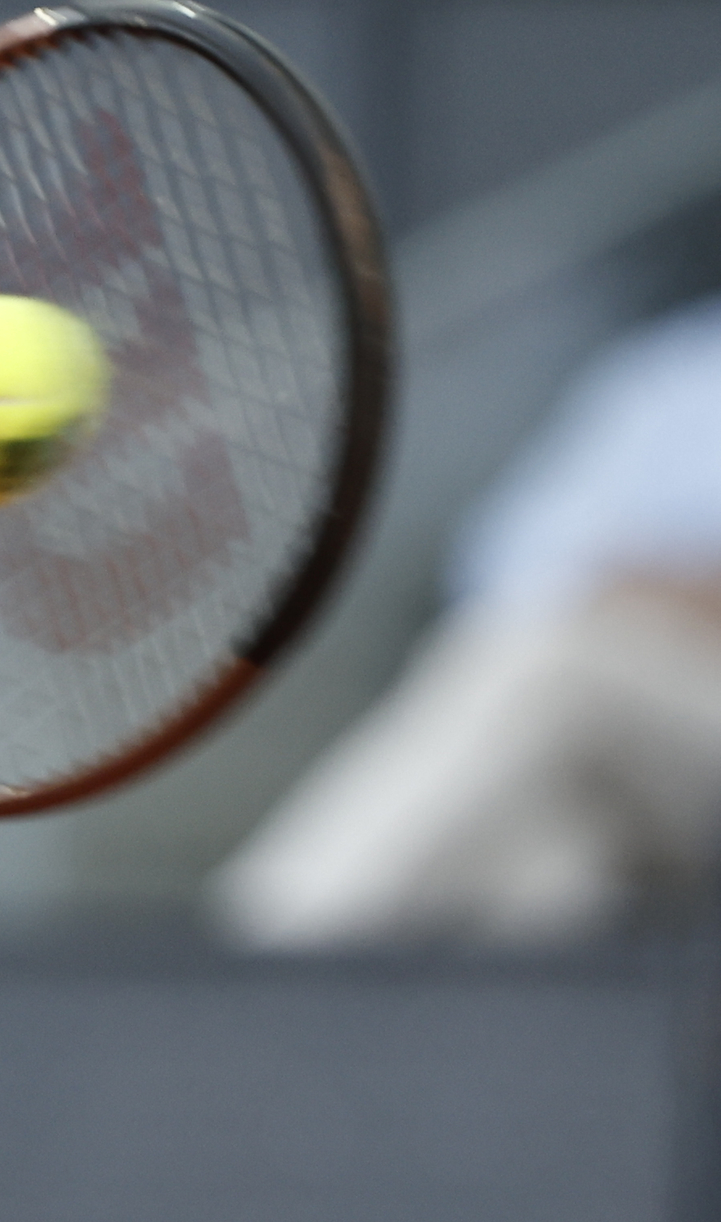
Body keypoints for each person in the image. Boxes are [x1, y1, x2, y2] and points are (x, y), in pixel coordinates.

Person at [214, 293, 721, 946]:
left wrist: (648, 588)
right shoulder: (676, 368)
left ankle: (260, 951)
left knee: (555, 670)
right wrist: (670, 593)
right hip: (633, 718)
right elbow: (510, 571)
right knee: (549, 845)